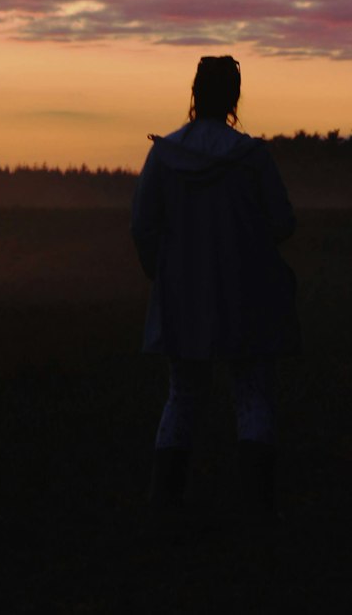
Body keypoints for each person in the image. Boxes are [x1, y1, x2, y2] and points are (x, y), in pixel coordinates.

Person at [130, 55, 299, 518]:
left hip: (183, 294)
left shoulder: (165, 156)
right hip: (246, 293)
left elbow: (143, 226)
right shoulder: (252, 157)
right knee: (251, 393)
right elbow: (282, 222)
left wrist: (161, 274)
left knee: (183, 395)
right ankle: (257, 507)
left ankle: (165, 503)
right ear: (234, 97)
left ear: (194, 94)